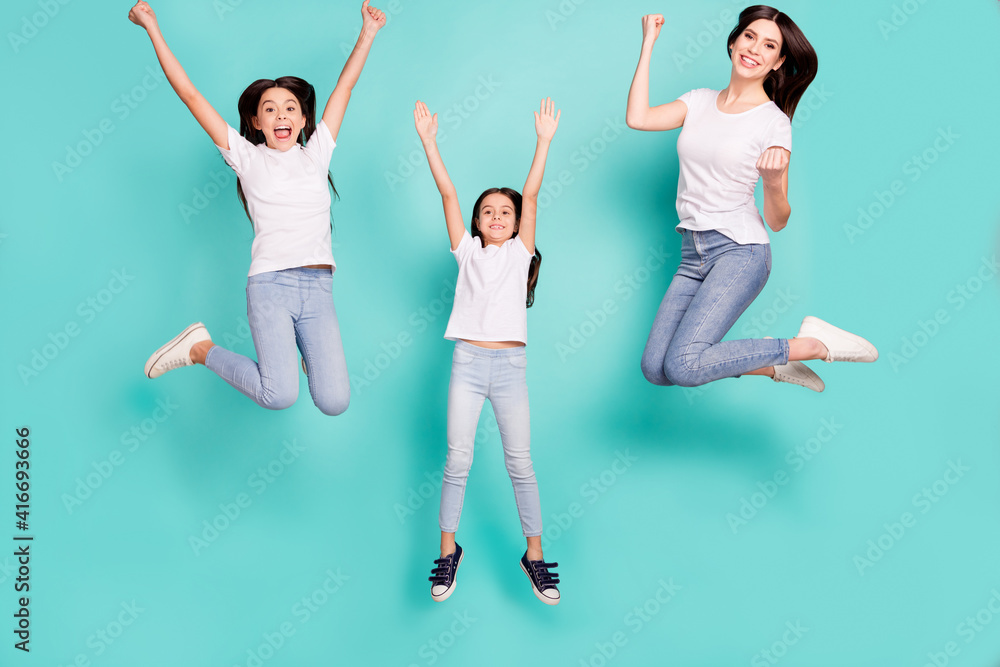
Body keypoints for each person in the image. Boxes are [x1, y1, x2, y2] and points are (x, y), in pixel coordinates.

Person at [131, 0, 386, 414]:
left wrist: (367, 34)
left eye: (290, 108)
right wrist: (152, 28)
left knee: (335, 401)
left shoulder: (316, 154)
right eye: (270, 109)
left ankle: (302, 345)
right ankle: (199, 347)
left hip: (319, 288)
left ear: (304, 120)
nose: (280, 115)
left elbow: (345, 89)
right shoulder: (247, 158)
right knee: (280, 395)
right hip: (271, 286)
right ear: (256, 122)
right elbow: (190, 95)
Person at [627, 6, 877, 394]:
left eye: (769, 45)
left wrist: (775, 182)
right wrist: (647, 46)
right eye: (749, 37)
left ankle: (808, 345)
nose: (754, 49)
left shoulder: (773, 123)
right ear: (733, 42)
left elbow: (777, 221)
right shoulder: (698, 101)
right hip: (692, 251)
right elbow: (638, 118)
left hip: (740, 251)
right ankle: (776, 364)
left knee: (683, 365)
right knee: (655, 369)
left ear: (778, 62)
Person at [414, 98, 561, 605]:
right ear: (477, 222)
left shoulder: (520, 253)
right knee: (457, 460)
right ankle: (447, 551)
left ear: (518, 222)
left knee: (520, 462)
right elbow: (447, 192)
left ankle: (535, 556)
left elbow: (535, 192)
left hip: (510, 368)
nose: (497, 216)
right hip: (469, 365)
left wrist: (542, 142)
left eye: (506, 211)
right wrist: (431, 143)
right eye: (488, 211)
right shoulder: (468, 251)